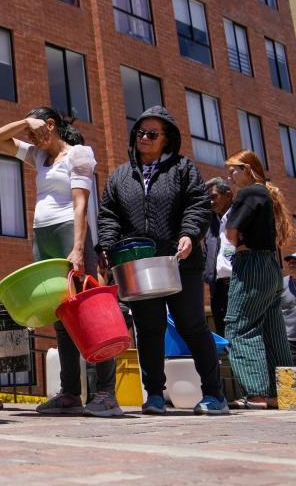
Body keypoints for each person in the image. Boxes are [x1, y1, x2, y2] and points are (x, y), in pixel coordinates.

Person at [97, 106, 227, 415]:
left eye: (152, 134)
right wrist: (109, 246)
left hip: (181, 261)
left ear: (166, 139)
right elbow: (108, 215)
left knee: (192, 325)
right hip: (139, 264)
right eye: (140, 132)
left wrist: (189, 234)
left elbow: (197, 204)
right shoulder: (120, 175)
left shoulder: (183, 168)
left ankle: (214, 394)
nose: (143, 137)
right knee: (149, 328)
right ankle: (154, 394)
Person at [0, 107, 120, 417]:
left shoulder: (79, 155)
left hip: (68, 234)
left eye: (37, 132)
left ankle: (106, 394)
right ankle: (70, 393)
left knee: (88, 311)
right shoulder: (38, 156)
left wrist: (77, 249)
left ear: (52, 125)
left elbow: (80, 205)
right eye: (30, 136)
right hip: (43, 236)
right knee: (60, 314)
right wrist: (25, 122)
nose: (32, 139)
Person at [223, 150, 295, 409]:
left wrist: (232, 247)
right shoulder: (266, 193)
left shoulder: (249, 193)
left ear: (249, 169)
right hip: (271, 268)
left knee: (240, 326)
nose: (230, 174)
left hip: (251, 264)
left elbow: (232, 231)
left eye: (235, 168)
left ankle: (255, 395)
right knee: (273, 332)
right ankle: (284, 394)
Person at [203, 178, 235, 336]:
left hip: (238, 283)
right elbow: (207, 253)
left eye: (214, 196)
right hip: (217, 287)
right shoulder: (211, 223)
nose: (210, 201)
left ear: (228, 195)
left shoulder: (240, 217)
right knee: (223, 332)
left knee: (239, 330)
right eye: (208, 198)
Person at [282, 254, 296, 362]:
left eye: (294, 262)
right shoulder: (281, 284)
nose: (291, 265)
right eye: (289, 262)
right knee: (287, 376)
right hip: (288, 341)